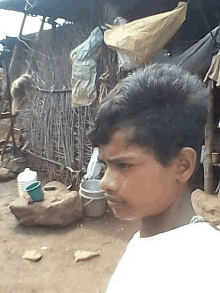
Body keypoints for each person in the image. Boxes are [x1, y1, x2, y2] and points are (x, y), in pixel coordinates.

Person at [88, 63, 220, 292]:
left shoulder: (205, 270)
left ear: (182, 165)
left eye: (124, 165)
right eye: (105, 165)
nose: (105, 182)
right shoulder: (146, 240)